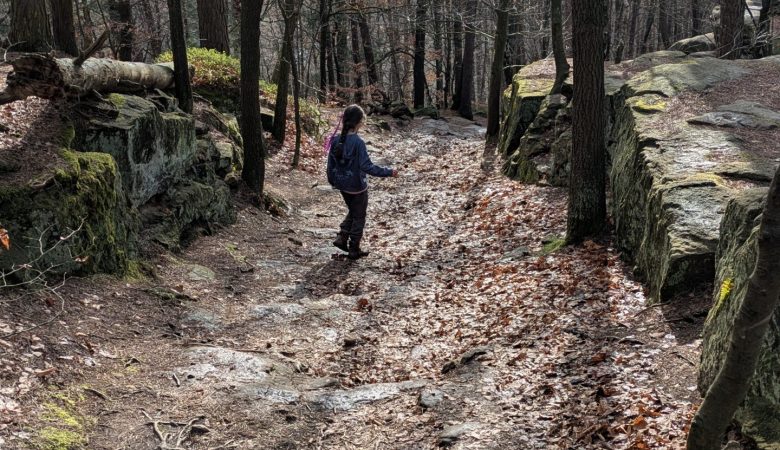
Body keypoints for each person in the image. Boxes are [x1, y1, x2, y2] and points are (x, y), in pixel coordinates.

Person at [326, 105, 398, 260]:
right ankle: (354, 249)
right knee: (359, 216)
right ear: (359, 122)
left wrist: (332, 180)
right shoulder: (358, 143)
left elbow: (330, 164)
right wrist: (388, 172)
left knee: (353, 210)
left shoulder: (335, 140)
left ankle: (342, 236)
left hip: (342, 185)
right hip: (357, 187)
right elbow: (367, 166)